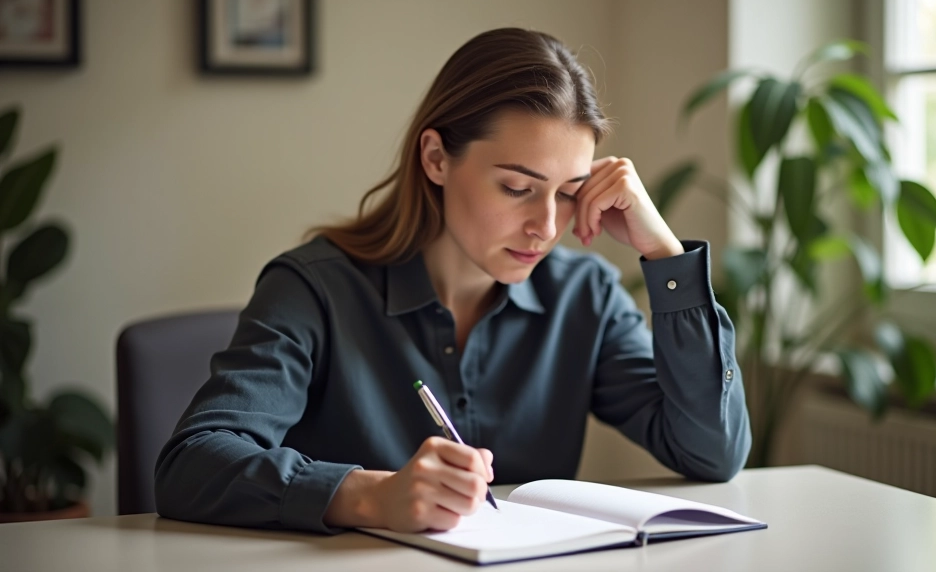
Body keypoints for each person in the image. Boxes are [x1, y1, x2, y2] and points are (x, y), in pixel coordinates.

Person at [154, 27, 750, 535]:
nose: (546, 227)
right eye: (517, 188)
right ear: (436, 158)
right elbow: (191, 465)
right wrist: (368, 496)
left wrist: (666, 256)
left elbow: (712, 453)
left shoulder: (584, 295)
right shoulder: (312, 289)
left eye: (568, 193)